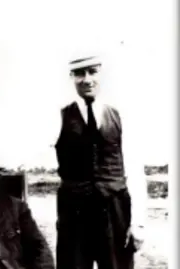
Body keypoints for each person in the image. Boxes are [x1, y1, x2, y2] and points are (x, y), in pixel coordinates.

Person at [53, 50, 147, 269]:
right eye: (79, 74)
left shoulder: (120, 115)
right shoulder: (59, 116)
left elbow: (134, 169)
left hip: (114, 211)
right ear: (71, 77)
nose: (86, 79)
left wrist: (139, 224)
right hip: (73, 214)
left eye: (92, 72)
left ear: (102, 75)